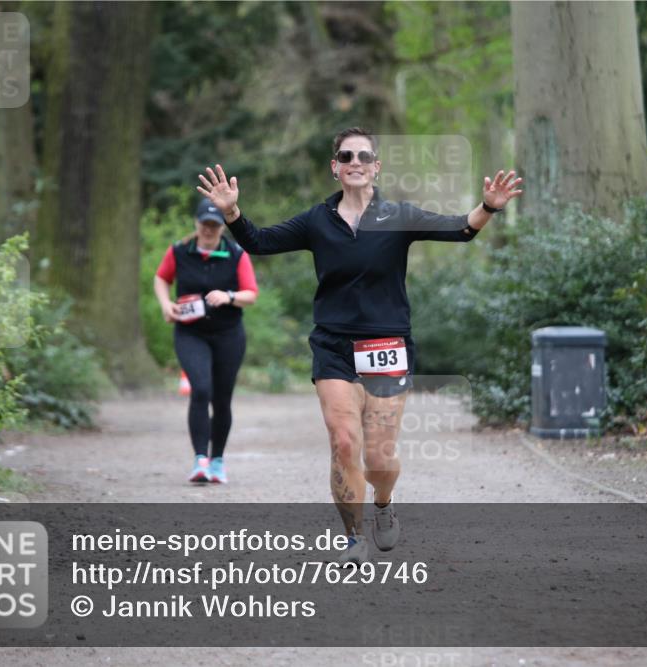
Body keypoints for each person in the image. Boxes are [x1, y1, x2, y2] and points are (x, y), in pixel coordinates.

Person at [197, 127, 521, 563]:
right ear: (335, 167)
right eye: (345, 156)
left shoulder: (398, 215)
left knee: (380, 458)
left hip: (388, 345)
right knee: (344, 442)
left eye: (363, 156)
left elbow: (460, 229)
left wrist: (487, 207)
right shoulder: (317, 220)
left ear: (375, 167)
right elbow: (260, 242)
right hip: (333, 346)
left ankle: (383, 505)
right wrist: (232, 213)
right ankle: (353, 537)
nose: (354, 162)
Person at [154, 199, 259, 484]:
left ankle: (218, 461)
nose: (210, 230)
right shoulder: (179, 251)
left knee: (221, 398)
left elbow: (251, 293)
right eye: (205, 224)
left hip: (228, 335)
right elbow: (161, 278)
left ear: (222, 227)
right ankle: (200, 459)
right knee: (200, 389)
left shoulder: (236, 253)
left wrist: (229, 296)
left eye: (215, 225)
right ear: (196, 224)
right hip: (191, 333)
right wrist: (166, 305)